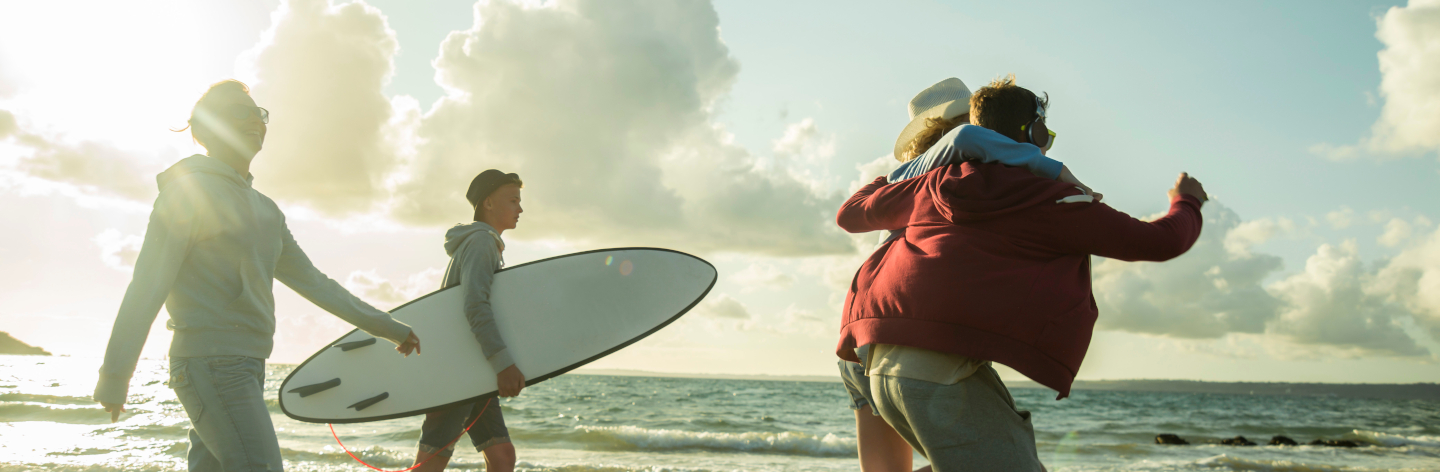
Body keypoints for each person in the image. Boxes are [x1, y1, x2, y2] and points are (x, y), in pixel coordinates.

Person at [835, 75, 1207, 471]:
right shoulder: (1049, 197)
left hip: (873, 356)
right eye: (1045, 133)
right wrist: (1188, 201)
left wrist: (919, 165)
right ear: (1033, 132)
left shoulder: (927, 184)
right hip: (932, 371)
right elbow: (1159, 242)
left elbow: (852, 213)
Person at [93, 79, 421, 472]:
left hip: (249, 363)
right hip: (209, 363)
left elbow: (314, 283)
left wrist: (388, 327)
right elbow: (148, 284)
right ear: (205, 130)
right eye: (238, 112)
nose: (255, 120)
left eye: (259, 113)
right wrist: (115, 374)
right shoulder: (186, 193)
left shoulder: (266, 211)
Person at [840, 76, 1098, 472]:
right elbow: (967, 140)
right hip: (908, 339)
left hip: (861, 334)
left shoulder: (909, 178)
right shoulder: (961, 170)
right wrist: (1054, 170)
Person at [411, 169, 526, 472]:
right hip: (458, 372)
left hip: (475, 370)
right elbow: (475, 305)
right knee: (431, 463)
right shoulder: (480, 243)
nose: (520, 208)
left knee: (502, 458)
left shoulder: (482, 243)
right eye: (513, 200)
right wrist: (503, 363)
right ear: (489, 203)